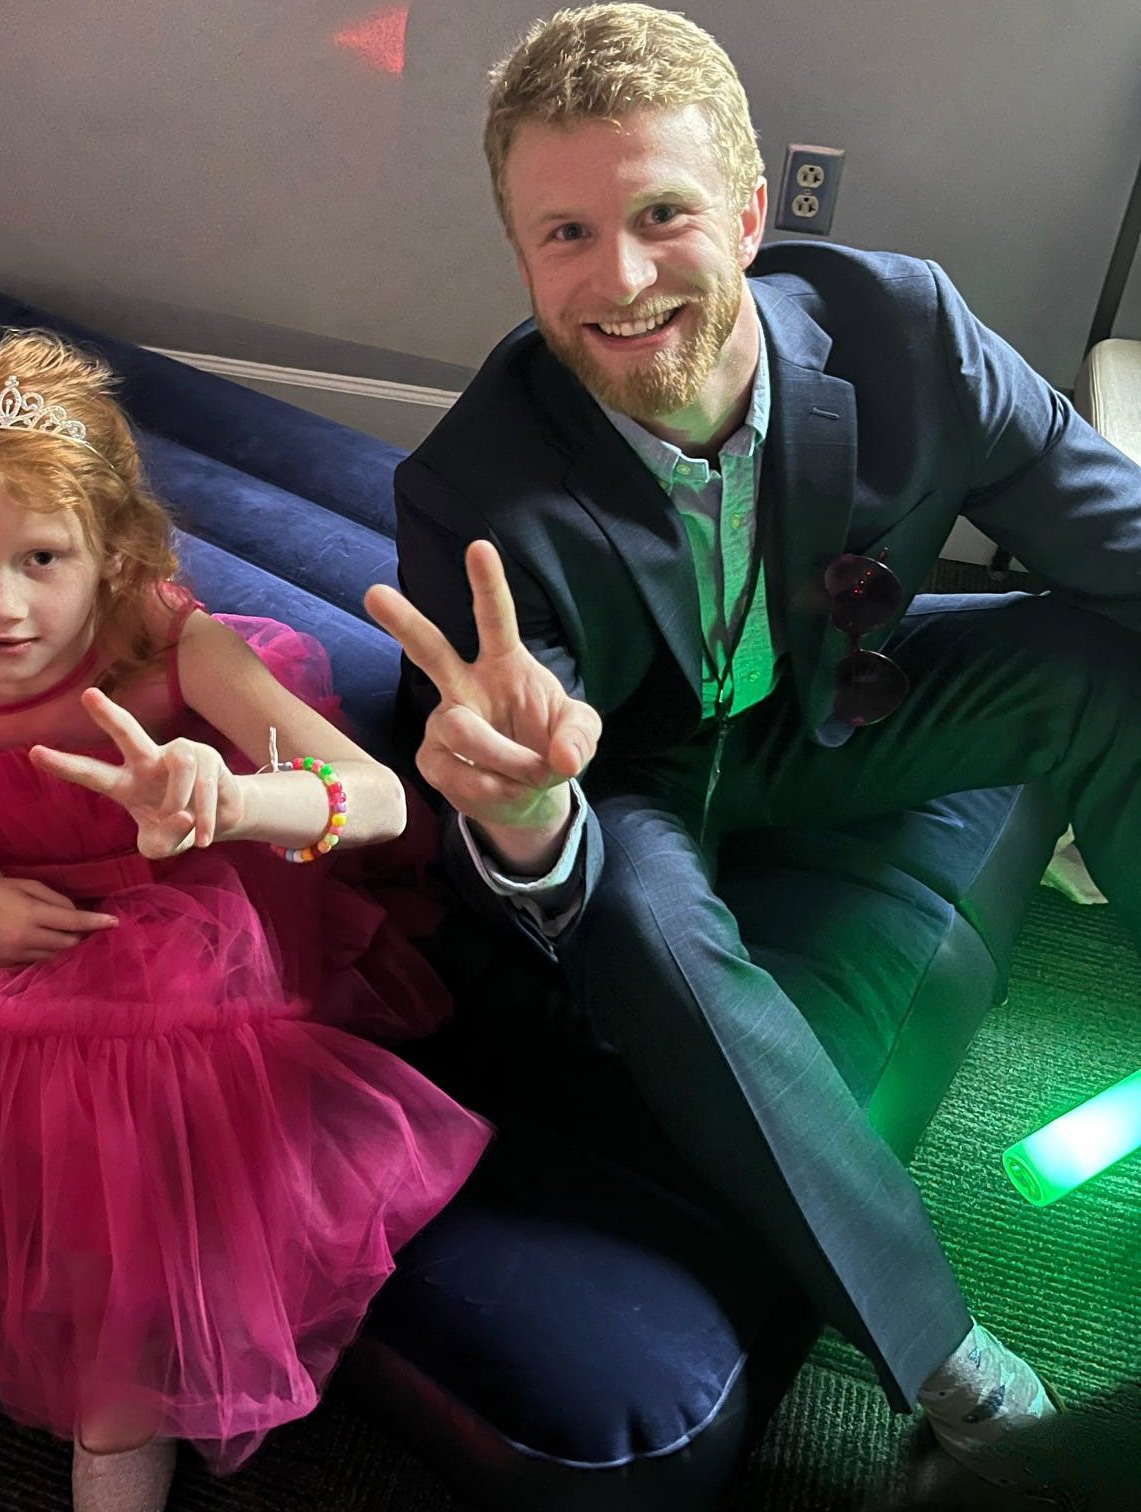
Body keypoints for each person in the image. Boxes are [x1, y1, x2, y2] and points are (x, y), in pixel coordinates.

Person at [363, 1, 1141, 1491]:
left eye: (662, 215)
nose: (624, 278)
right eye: (566, 237)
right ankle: (952, 1372)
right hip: (638, 779)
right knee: (640, 914)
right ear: (522, 256)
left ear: (749, 209)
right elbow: (505, 789)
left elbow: (1104, 526)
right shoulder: (475, 484)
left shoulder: (906, 330)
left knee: (1095, 660)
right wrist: (529, 808)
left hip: (837, 714)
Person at [0, 328, 491, 1511]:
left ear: (113, 555)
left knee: (123, 1105)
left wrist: (230, 797)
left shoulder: (182, 651)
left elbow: (373, 798)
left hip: (163, 914)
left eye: (41, 559)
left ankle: (124, 1387)